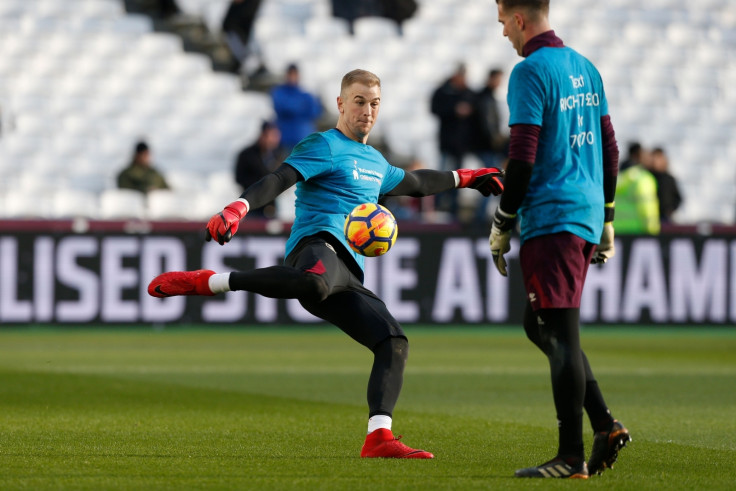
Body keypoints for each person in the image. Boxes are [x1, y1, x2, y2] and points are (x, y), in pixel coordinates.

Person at [147, 69, 504, 459]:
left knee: (393, 342)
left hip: (347, 273)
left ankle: (379, 437)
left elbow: (416, 183)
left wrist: (467, 177)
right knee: (315, 283)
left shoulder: (375, 160)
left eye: (374, 104)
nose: (367, 111)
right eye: (359, 101)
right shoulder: (324, 145)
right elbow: (280, 177)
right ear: (340, 103)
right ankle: (211, 282)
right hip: (316, 248)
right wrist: (239, 206)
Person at [489, 0, 630, 479]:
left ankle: (572, 456)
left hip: (552, 216)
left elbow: (522, 158)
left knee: (561, 334)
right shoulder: (585, 68)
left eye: (504, 21)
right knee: (540, 324)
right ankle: (605, 424)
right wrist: (607, 216)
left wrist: (503, 219)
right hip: (586, 213)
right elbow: (609, 149)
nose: (504, 32)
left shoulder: (529, 72)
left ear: (521, 18)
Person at [430, 63, 480, 217]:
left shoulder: (468, 93)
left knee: (459, 178)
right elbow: (434, 109)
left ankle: (453, 211)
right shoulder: (443, 91)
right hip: (447, 143)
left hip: (461, 145)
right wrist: (454, 110)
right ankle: (438, 209)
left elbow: (478, 114)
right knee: (442, 176)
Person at [474, 67, 510, 225]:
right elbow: (486, 124)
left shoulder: (490, 98)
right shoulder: (484, 98)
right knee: (490, 179)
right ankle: (482, 217)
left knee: (493, 179)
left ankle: (486, 215)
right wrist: (494, 138)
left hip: (490, 147)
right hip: (486, 147)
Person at [234, 120, 284, 219]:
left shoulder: (278, 155)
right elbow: (239, 178)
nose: (273, 139)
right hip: (252, 205)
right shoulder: (247, 155)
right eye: (270, 135)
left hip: (271, 207)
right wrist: (261, 184)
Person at [271, 64, 323, 153]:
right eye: (290, 74)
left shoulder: (306, 95)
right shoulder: (279, 92)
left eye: (294, 74)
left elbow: (315, 111)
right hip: (285, 141)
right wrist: (302, 107)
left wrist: (295, 107)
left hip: (304, 141)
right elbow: (282, 108)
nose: (292, 77)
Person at [615, 153, 660, 234]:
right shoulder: (643, 180)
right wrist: (652, 230)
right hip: (638, 233)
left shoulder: (612, 182)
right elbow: (647, 208)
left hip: (616, 233)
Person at [648, 147, 682, 224]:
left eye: (658, 158)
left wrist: (669, 210)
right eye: (653, 157)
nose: (655, 161)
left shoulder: (669, 179)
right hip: (649, 218)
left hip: (665, 218)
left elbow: (678, 198)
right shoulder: (647, 177)